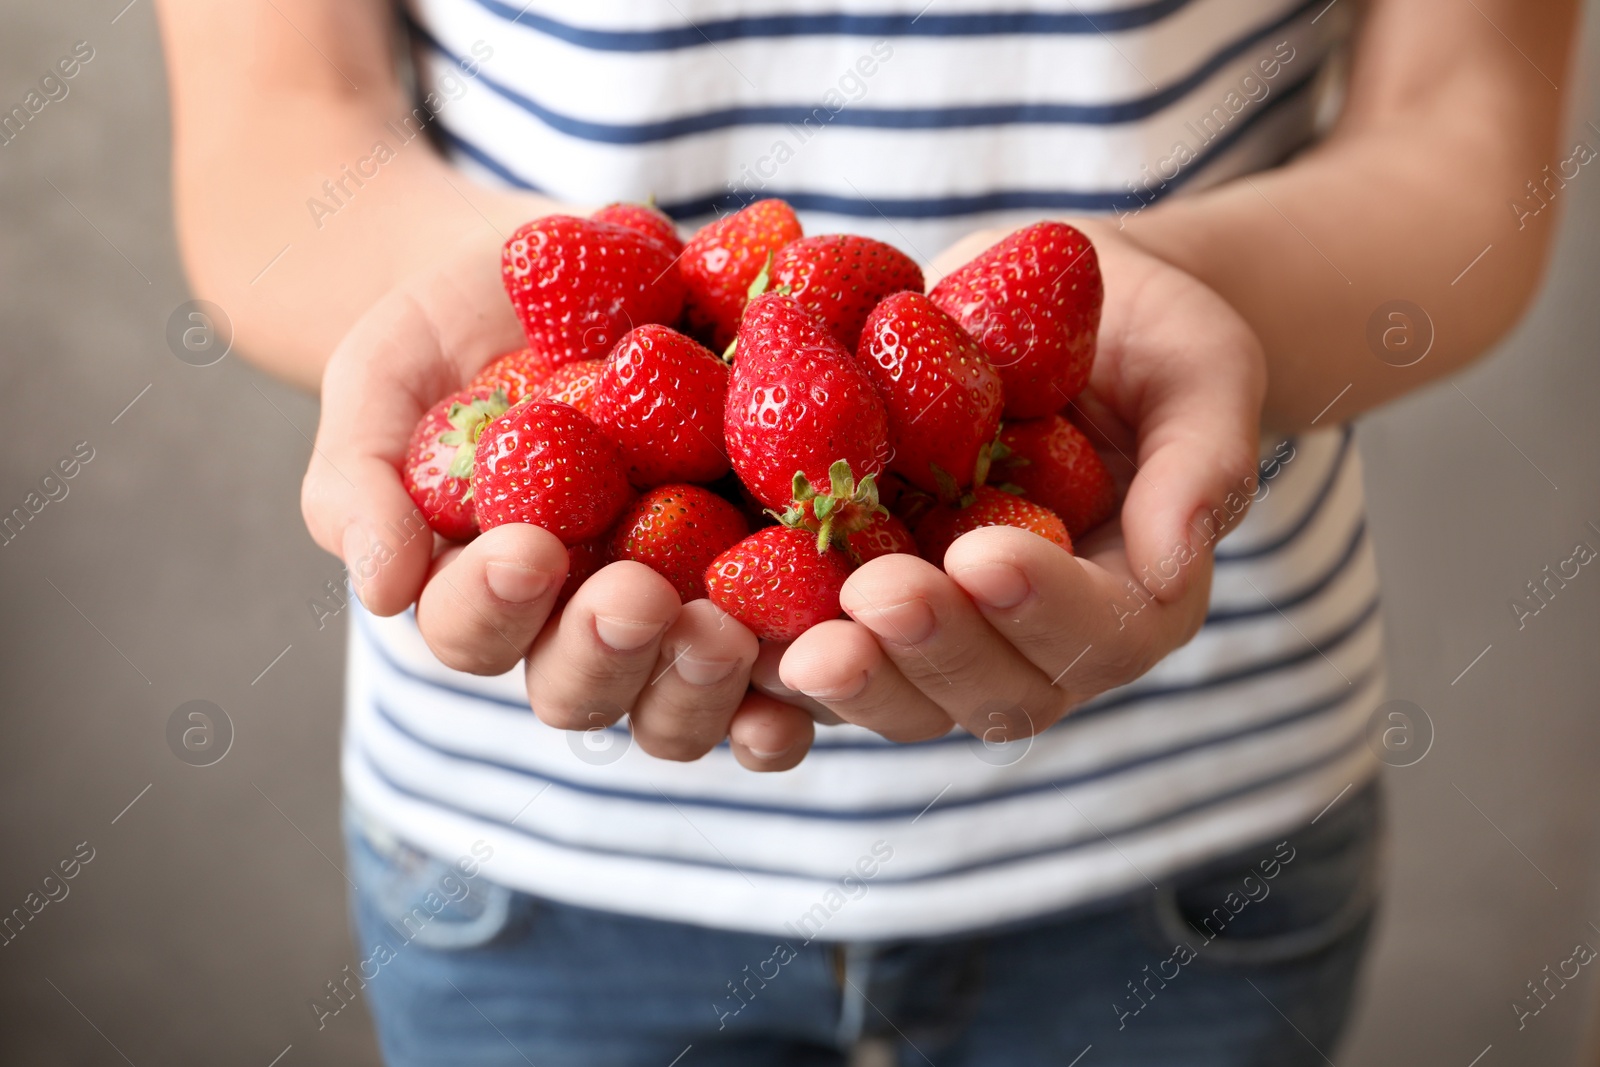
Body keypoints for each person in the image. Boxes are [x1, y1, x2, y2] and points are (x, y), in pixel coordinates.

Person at [157, 1, 1576, 1063]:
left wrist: (1198, 290)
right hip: (528, 849)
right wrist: (503, 361)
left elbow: (1468, 139)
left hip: (1191, 831)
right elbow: (278, 126)